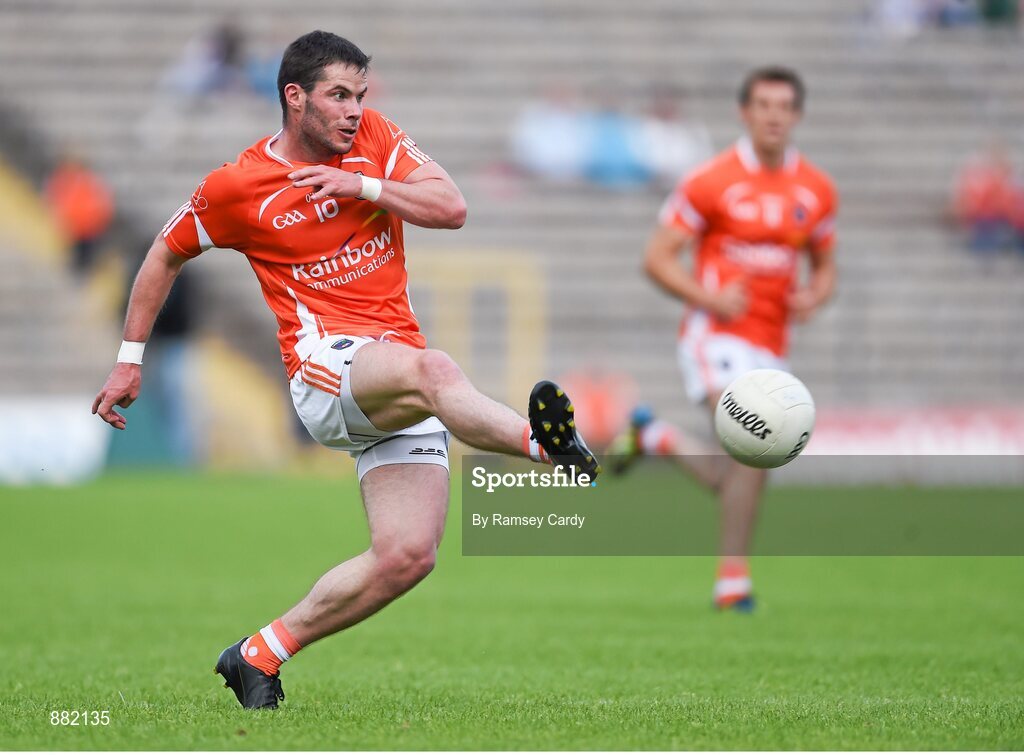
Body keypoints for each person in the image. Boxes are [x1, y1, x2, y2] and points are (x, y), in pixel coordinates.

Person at [92, 30, 599, 709]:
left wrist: (361, 182)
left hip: (389, 375)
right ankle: (544, 447)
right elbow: (163, 253)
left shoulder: (374, 142)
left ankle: (258, 654)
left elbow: (451, 207)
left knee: (407, 556)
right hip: (324, 369)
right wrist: (129, 361)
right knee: (436, 370)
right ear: (294, 97)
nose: (354, 110)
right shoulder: (238, 186)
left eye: (359, 95)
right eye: (338, 95)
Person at [610, 67, 837, 611]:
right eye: (763, 104)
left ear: (798, 115)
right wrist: (708, 298)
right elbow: (656, 258)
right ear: (745, 112)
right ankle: (732, 580)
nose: (774, 115)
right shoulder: (711, 181)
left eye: (784, 106)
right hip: (716, 337)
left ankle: (657, 438)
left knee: (748, 463)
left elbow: (826, 265)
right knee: (754, 449)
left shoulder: (817, 190)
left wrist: (815, 295)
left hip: (771, 343)